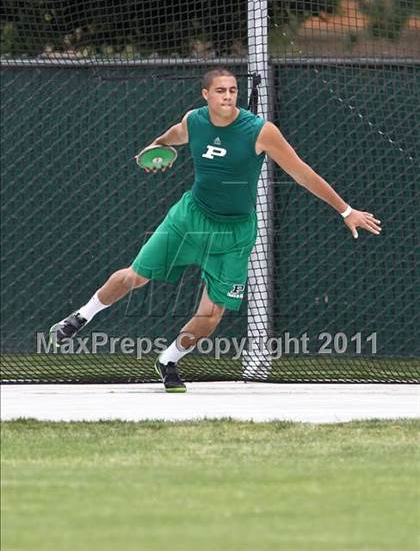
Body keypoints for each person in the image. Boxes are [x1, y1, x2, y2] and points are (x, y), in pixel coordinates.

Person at [49, 67, 382, 393]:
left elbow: (303, 173)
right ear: (205, 95)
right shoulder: (194, 121)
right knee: (134, 277)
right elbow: (168, 140)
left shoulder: (260, 131)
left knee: (210, 315)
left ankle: (168, 360)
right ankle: (80, 317)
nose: (228, 96)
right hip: (189, 219)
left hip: (234, 233)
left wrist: (346, 210)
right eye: (221, 90)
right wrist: (155, 152)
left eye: (233, 90)